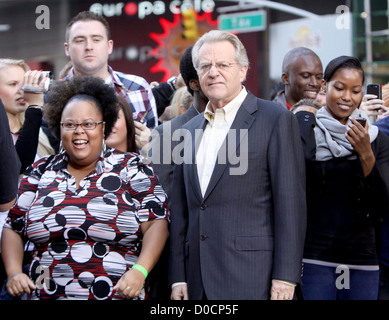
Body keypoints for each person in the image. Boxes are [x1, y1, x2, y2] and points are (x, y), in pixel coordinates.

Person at [1, 76, 169, 300]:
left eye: (89, 124)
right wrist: (13, 273)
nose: (79, 131)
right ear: (59, 129)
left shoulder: (132, 168)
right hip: (44, 294)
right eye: (70, 124)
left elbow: (157, 224)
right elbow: (13, 226)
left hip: (116, 294)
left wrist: (140, 270)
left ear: (103, 127)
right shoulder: (40, 171)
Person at [168, 30, 306, 300]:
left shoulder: (275, 119)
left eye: (223, 64)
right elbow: (181, 210)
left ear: (243, 71)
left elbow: (290, 205)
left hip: (254, 277)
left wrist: (286, 276)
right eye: (205, 66)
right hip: (196, 281)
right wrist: (178, 277)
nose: (213, 72)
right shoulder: (189, 129)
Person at [293, 56, 389, 300]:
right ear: (324, 87)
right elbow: (302, 193)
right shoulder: (308, 133)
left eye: (355, 91)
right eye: (339, 88)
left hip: (363, 258)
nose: (347, 97)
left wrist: (366, 153)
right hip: (315, 256)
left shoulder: (377, 139)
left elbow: (380, 206)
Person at [63, 11, 158, 129]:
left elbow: (152, 143)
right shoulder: (50, 98)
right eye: (80, 40)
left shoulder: (138, 88)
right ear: (67, 49)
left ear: (109, 46)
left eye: (96, 39)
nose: (88, 47)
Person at [0, 59, 55, 173]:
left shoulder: (41, 132)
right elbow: (17, 166)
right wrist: (34, 107)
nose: (22, 90)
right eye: (13, 84)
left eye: (25, 83)